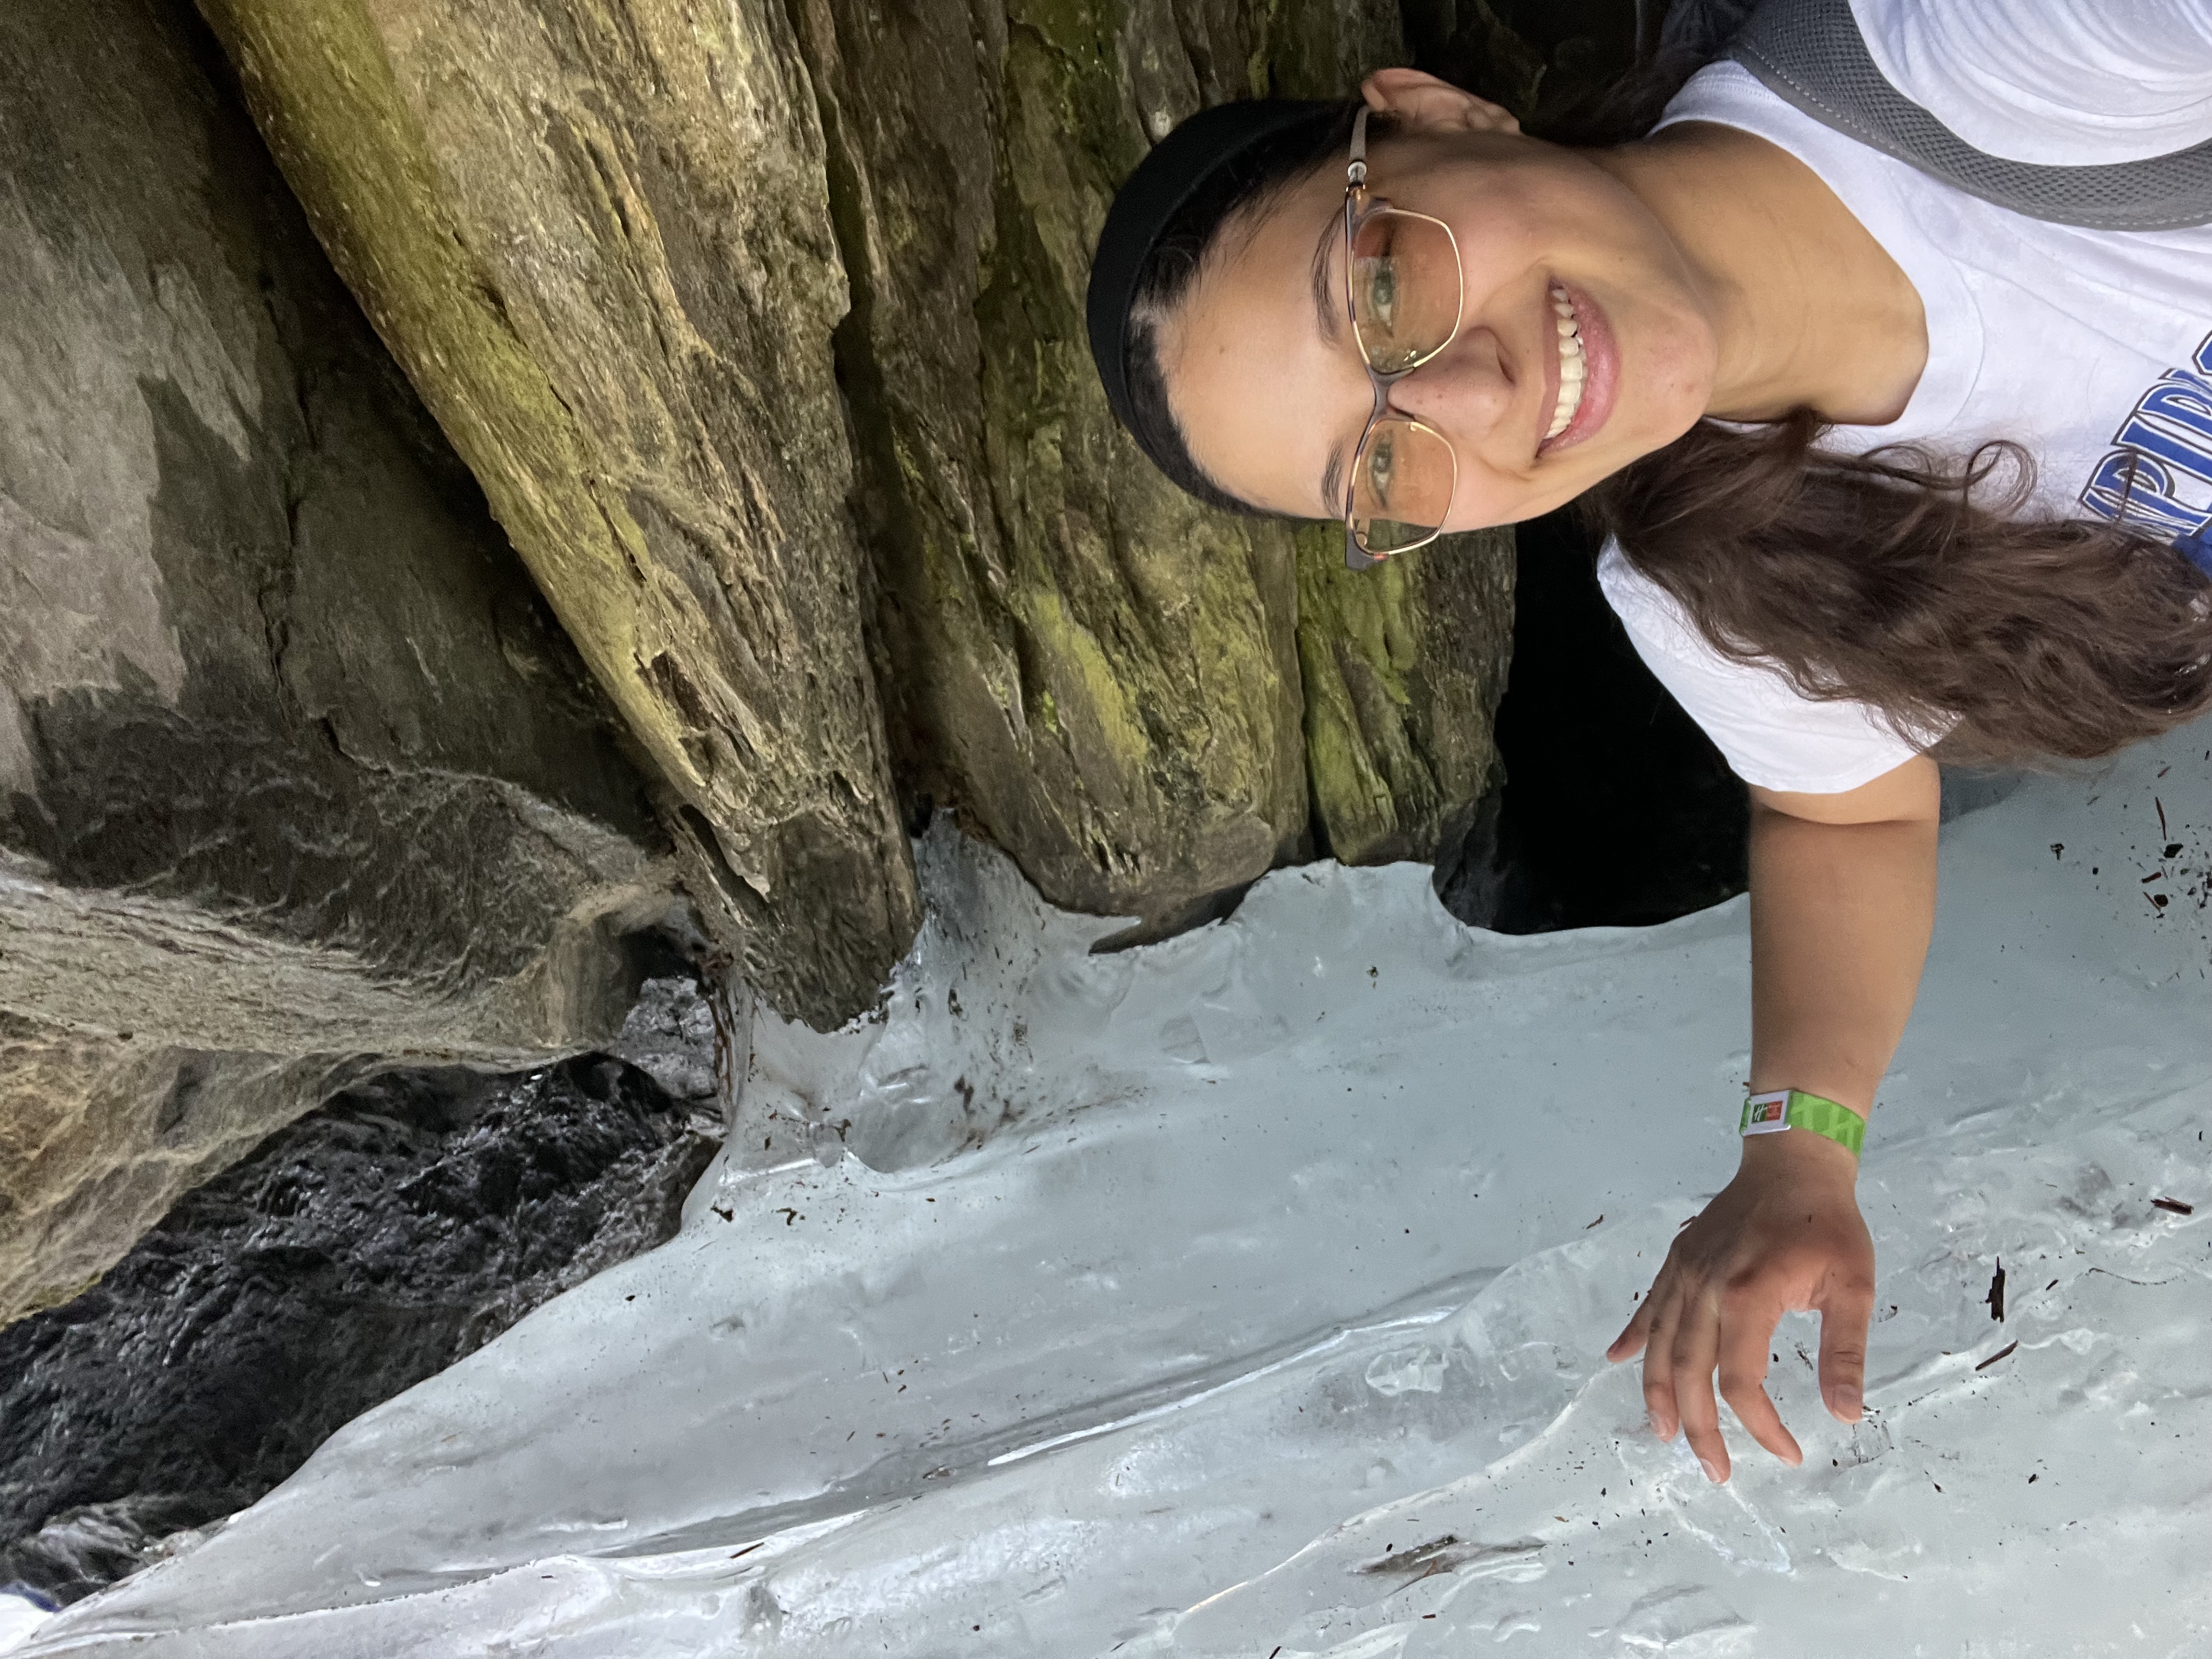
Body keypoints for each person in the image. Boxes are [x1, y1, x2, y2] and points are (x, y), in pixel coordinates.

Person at [1084, 0, 2212, 1485]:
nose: (1471, 397)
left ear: (1441, 115)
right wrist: (1798, 1150)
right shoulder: (1711, 579)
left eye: (1381, 286)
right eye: (1381, 463)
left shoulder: (1987, 54)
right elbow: (1846, 815)